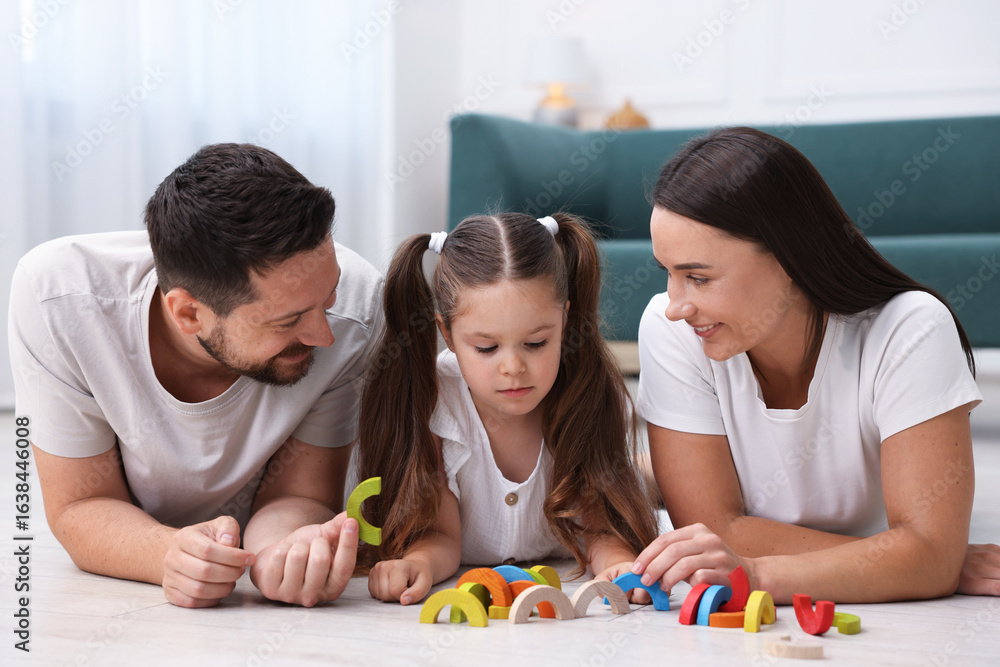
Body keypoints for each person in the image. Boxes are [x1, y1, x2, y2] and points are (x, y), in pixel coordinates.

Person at [629, 126, 1000, 603]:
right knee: (612, 478)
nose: (676, 303)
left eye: (698, 277)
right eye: (669, 273)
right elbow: (714, 531)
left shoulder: (911, 329)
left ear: (788, 257)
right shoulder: (670, 326)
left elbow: (928, 557)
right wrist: (902, 557)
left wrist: (757, 575)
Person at [8, 143, 384, 608]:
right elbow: (78, 505)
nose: (324, 336)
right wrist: (168, 555)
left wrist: (282, 553)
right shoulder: (58, 300)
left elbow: (299, 491)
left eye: (328, 297)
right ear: (188, 313)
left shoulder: (359, 309)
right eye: (288, 321)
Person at [357, 212, 658, 605]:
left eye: (535, 343)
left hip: (557, 585)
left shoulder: (589, 391)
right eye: (486, 348)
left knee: (642, 478)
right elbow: (441, 535)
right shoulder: (435, 402)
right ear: (446, 332)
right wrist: (419, 563)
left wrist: (619, 564)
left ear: (564, 320)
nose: (513, 367)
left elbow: (598, 528)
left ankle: (650, 470)